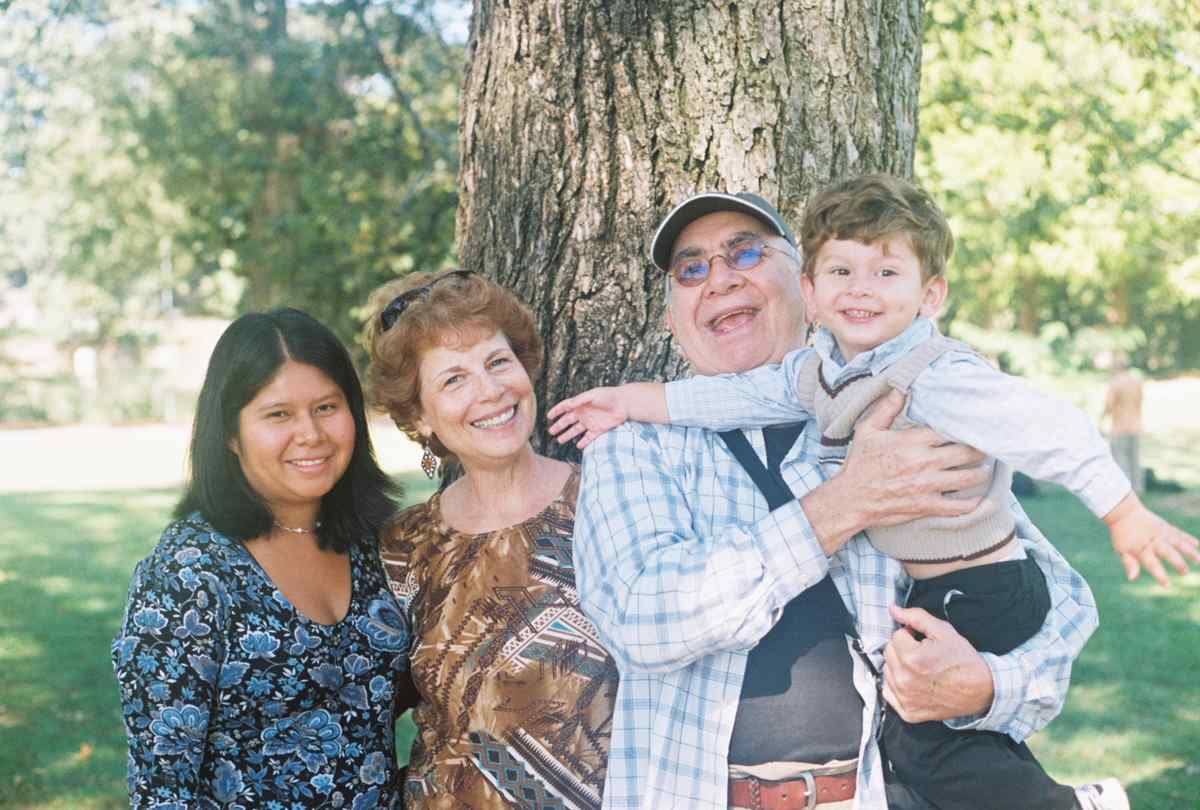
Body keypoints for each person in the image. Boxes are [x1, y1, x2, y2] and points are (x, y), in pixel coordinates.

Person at [551, 175, 1200, 809]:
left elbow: (1061, 603)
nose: (718, 278)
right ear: (672, 321)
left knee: (937, 750)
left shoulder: (914, 410)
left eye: (745, 253)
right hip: (692, 795)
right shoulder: (632, 445)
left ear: (802, 287)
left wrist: (985, 686)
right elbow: (645, 619)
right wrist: (844, 503)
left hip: (868, 791)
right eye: (691, 269)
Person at [112, 308, 410, 809]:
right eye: (278, 415)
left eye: (326, 407)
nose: (310, 434)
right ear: (230, 433)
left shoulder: (374, 548)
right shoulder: (187, 576)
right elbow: (162, 790)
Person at [362, 269, 618, 809]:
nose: (490, 390)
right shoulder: (404, 547)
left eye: (497, 362)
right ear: (420, 416)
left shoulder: (611, 503)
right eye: (453, 379)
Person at [1102, 359, 1145, 496]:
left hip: (1119, 428)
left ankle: (1125, 491)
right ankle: (1138, 488)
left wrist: (1101, 420)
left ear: (1116, 368)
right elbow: (1140, 401)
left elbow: (1109, 405)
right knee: (1135, 460)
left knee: (1121, 460)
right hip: (1136, 426)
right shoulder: (1136, 382)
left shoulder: (1115, 383)